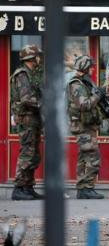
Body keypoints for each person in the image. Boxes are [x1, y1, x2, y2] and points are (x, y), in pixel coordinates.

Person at [67, 55, 104, 199]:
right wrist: (97, 96)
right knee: (93, 157)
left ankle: (83, 189)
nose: (93, 69)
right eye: (91, 67)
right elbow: (84, 105)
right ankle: (87, 188)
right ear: (85, 67)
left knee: (84, 157)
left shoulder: (84, 82)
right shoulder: (76, 84)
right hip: (83, 127)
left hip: (86, 126)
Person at [10, 44, 44, 200]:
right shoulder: (22, 74)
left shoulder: (31, 73)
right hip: (27, 119)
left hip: (34, 119)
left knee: (34, 154)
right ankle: (18, 189)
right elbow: (26, 99)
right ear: (32, 58)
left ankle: (28, 187)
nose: (39, 59)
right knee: (27, 154)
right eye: (38, 56)